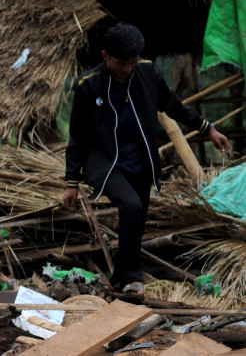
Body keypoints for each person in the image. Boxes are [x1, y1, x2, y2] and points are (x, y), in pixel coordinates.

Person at [63, 23, 229, 296]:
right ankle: (133, 277)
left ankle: (118, 279)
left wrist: (207, 128)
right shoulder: (88, 85)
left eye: (133, 62)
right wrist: (71, 182)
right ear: (105, 56)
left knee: (137, 219)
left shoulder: (147, 72)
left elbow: (173, 105)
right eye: (121, 63)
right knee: (130, 204)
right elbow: (77, 138)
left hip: (141, 159)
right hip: (103, 162)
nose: (128, 69)